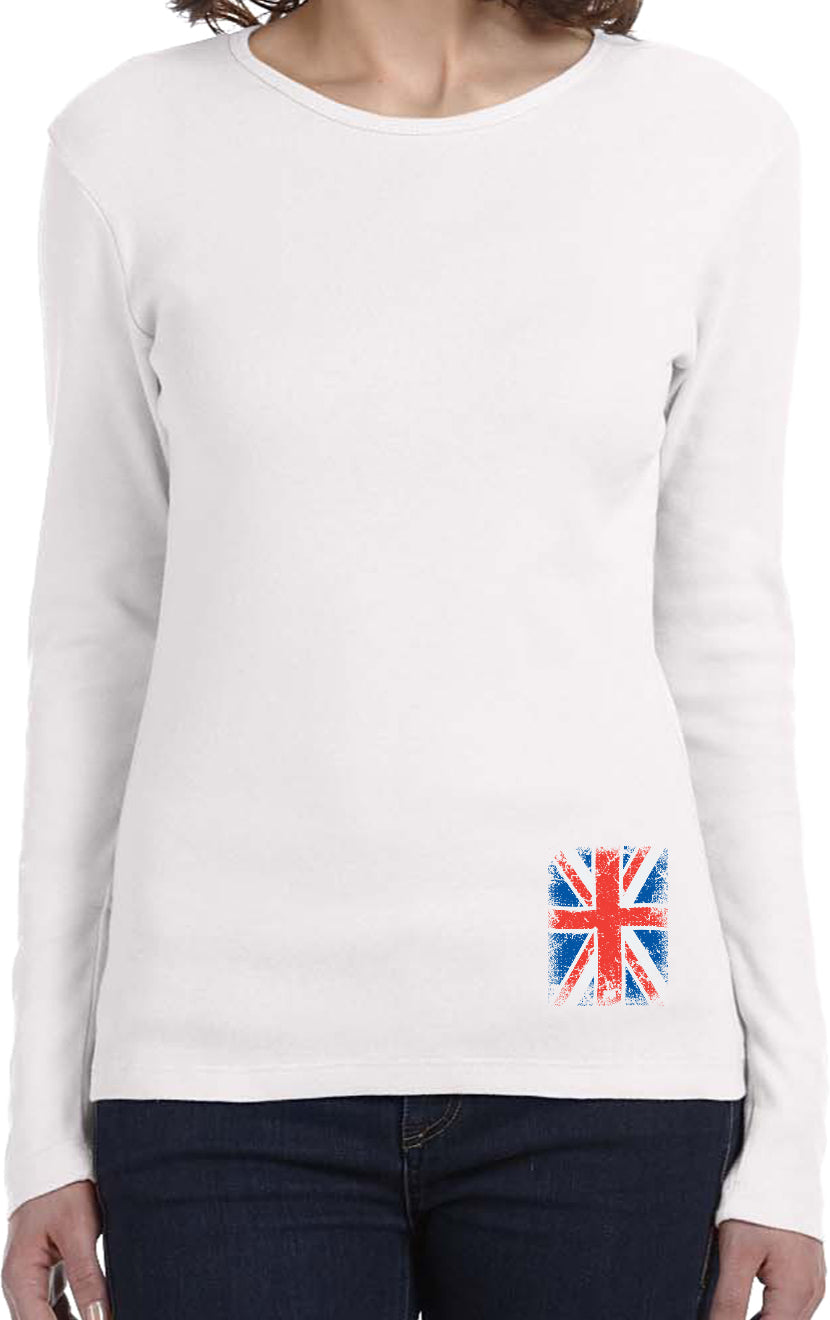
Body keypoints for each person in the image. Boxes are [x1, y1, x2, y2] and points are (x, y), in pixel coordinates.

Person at [2, 0, 826, 1316]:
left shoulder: (708, 143)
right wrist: (40, 1125)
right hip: (221, 1073)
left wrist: (795, 1139)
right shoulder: (130, 144)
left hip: (603, 1042)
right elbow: (96, 640)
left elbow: (725, 637)